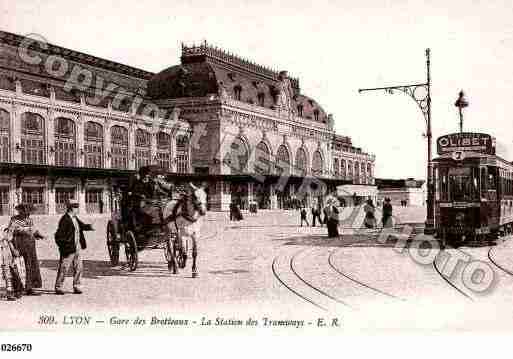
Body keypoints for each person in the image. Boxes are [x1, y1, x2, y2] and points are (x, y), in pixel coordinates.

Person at [54, 200, 94, 295]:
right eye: (76, 207)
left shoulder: (75, 218)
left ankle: (77, 286)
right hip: (68, 248)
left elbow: (81, 226)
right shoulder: (65, 219)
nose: (77, 209)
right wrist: (63, 247)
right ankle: (58, 287)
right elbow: (58, 236)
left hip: (77, 247)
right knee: (64, 268)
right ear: (71, 208)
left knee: (79, 267)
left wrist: (89, 227)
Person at [8, 204, 45, 296]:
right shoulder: (14, 220)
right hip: (19, 247)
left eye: (28, 212)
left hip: (31, 247)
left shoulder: (29, 220)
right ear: (20, 211)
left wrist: (39, 235)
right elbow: (9, 236)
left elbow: (33, 230)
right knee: (19, 267)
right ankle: (18, 289)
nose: (27, 214)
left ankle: (29, 288)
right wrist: (13, 249)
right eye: (25, 212)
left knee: (31, 266)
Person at [1, 226, 23, 300]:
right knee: (7, 276)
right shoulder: (3, 242)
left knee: (10, 276)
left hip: (9, 261)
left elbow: (13, 251)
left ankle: (12, 292)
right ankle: (10, 293)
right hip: (3, 261)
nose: (7, 234)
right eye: (5, 232)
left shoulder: (8, 241)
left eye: (7, 232)